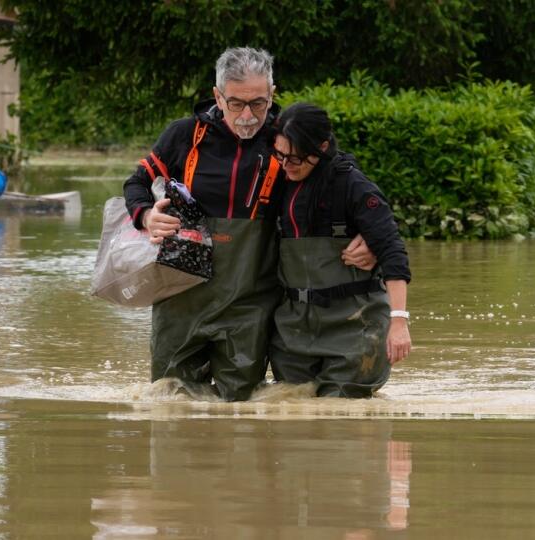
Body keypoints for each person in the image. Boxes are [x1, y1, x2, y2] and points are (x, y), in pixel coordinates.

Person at [122, 48, 375, 401]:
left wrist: (369, 235)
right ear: (217, 96)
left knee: (239, 408)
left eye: (258, 103)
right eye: (236, 104)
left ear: (272, 94)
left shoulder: (289, 137)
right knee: (169, 402)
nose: (247, 116)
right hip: (179, 298)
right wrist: (147, 215)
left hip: (252, 302)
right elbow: (135, 184)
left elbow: (348, 186)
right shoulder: (183, 136)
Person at [269, 103, 412, 398]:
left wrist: (399, 322)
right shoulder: (278, 182)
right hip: (293, 330)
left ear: (322, 147)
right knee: (292, 410)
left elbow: (393, 252)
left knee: (344, 420)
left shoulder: (353, 186)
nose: (286, 165)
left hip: (354, 328)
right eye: (280, 155)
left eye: (296, 158)